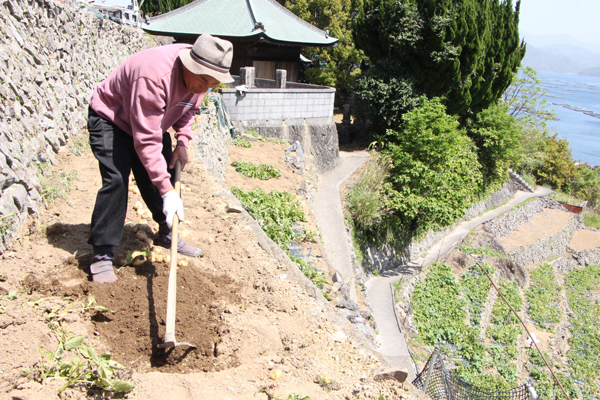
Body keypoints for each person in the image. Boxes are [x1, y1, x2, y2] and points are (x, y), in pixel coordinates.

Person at [87, 34, 234, 283]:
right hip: (113, 118)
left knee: (161, 169)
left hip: (152, 123)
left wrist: (183, 141)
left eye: (212, 84)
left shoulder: (201, 79)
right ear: (189, 66)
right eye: (203, 80)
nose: (205, 88)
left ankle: (167, 233)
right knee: (117, 180)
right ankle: (102, 254)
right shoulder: (153, 76)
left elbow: (189, 109)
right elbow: (145, 140)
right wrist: (167, 191)